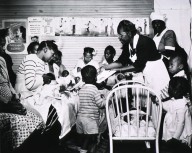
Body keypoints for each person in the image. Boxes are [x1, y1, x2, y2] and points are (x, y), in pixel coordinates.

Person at [104, 20, 170, 95]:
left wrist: (117, 70)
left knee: (162, 98)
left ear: (129, 33)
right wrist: (105, 67)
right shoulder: (127, 45)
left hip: (158, 73)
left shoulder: (145, 42)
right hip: (148, 74)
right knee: (153, 99)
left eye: (121, 35)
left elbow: (138, 65)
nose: (119, 38)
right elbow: (121, 61)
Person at [76, 65, 106, 153]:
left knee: (82, 137)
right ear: (96, 77)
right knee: (89, 138)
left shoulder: (81, 89)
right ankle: (83, 150)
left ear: (83, 79)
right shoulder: (95, 90)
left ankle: (79, 148)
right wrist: (106, 100)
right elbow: (100, 104)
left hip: (80, 118)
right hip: (90, 119)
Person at [162, 77, 192, 153]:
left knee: (181, 149)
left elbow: (181, 123)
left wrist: (175, 138)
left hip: (180, 135)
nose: (168, 90)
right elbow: (169, 108)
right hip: (174, 130)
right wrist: (159, 101)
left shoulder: (181, 104)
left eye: (170, 88)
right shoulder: (175, 100)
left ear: (175, 91)